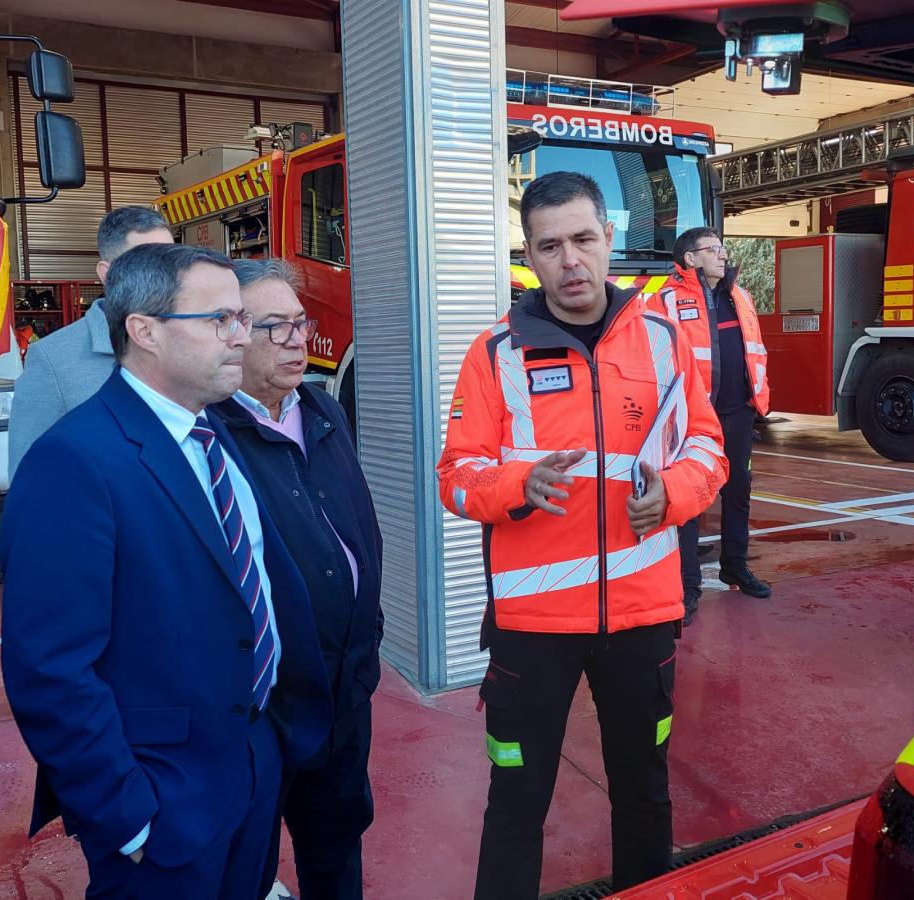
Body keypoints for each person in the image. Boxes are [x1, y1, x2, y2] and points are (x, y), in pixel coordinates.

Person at [0, 243, 332, 899]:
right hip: (160, 794)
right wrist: (127, 817)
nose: (242, 338)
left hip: (253, 760)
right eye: (220, 320)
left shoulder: (216, 437)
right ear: (144, 331)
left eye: (241, 318)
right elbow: (50, 669)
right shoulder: (75, 462)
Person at [437, 171, 728, 899]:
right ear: (529, 258)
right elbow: (456, 474)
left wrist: (675, 492)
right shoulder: (494, 354)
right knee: (516, 807)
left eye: (584, 239)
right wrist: (516, 488)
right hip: (531, 632)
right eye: (550, 246)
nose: (570, 260)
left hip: (643, 618)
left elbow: (708, 450)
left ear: (609, 242)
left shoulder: (664, 341)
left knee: (645, 795)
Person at [207, 258, 383, 899]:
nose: (296, 340)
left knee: (336, 850)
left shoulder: (322, 410)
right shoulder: (209, 434)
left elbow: (359, 530)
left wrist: (366, 654)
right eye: (272, 327)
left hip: (343, 694)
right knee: (244, 864)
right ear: (229, 334)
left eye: (299, 323)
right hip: (266, 708)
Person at [651, 227, 772, 620]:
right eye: (713, 249)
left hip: (739, 412)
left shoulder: (740, 295)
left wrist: (758, 399)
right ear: (690, 258)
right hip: (693, 417)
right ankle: (686, 588)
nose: (723, 255)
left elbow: (756, 350)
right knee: (689, 499)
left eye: (723, 248)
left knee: (738, 490)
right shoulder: (665, 301)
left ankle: (735, 565)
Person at [7, 205, 173, 478]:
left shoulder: (193, 341)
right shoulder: (53, 362)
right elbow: (28, 475)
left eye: (170, 261)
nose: (164, 276)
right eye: (144, 263)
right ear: (106, 273)